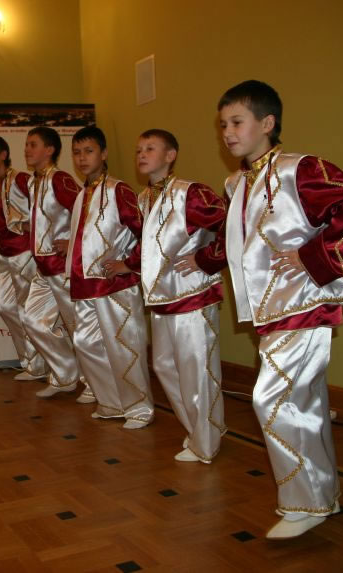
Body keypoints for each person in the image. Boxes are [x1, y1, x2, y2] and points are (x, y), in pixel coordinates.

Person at [218, 80, 343, 538]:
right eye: (223, 125)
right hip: (273, 309)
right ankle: (322, 496)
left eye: (237, 122)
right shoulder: (237, 183)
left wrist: (315, 256)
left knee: (270, 398)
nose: (227, 132)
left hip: (305, 303)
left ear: (267, 123)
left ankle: (305, 502)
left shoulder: (299, 169)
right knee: (303, 403)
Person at [137, 129, 228, 459]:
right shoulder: (143, 198)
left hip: (193, 294)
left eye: (150, 148)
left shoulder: (190, 193)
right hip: (162, 298)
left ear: (170, 155)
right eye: (139, 150)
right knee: (163, 365)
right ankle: (201, 429)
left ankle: (205, 444)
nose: (142, 154)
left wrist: (206, 259)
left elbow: (230, 224)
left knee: (196, 371)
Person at [66, 125, 154, 429]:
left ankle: (139, 409)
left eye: (88, 151)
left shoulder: (119, 190)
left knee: (125, 347)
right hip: (84, 284)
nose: (81, 158)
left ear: (103, 154)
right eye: (76, 153)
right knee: (86, 344)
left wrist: (129, 264)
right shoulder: (82, 195)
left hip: (115, 284)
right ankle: (112, 402)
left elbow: (146, 232)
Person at [23, 126, 93, 402]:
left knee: (79, 327)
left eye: (33, 144)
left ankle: (94, 384)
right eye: (27, 144)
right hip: (43, 268)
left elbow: (86, 211)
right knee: (32, 320)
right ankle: (65, 375)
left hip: (62, 267)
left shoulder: (60, 179)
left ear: (50, 150)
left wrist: (74, 242)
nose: (27, 149)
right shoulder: (33, 183)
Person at [0, 136, 48, 381]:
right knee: (6, 307)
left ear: (4, 154)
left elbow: (41, 207)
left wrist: (32, 227)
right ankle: (31, 361)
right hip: (5, 254)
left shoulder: (20, 179)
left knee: (28, 310)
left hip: (24, 253)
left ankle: (40, 365)